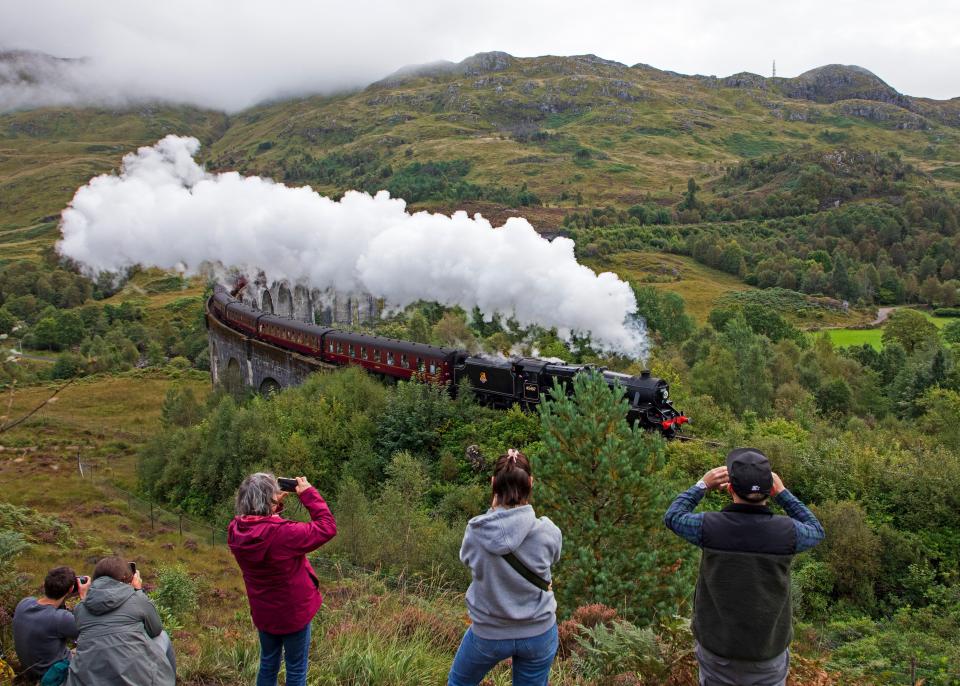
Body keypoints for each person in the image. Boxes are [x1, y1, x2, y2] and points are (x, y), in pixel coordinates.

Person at [663, 448, 826, 686]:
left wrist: (702, 485)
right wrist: (782, 493)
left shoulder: (710, 527)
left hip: (717, 650)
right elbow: (816, 530)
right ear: (769, 490)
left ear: (729, 488)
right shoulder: (787, 533)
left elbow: (673, 516)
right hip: (767, 653)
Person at [448, 449, 562, 686]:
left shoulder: (477, 532)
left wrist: (494, 510)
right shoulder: (549, 532)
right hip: (538, 631)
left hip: (489, 632)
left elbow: (467, 559)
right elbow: (554, 559)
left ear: (493, 484)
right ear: (531, 483)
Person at [228, 473, 337, 686]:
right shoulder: (283, 534)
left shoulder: (236, 530)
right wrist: (308, 494)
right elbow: (327, 527)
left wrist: (272, 505)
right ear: (268, 501)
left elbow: (260, 525)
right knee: (296, 669)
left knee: (268, 664)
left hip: (264, 612)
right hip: (293, 613)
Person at [66, 556, 176, 686]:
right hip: (139, 679)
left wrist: (84, 598)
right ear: (127, 578)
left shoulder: (80, 608)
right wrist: (139, 591)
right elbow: (155, 629)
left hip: (88, 680)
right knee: (162, 636)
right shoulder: (136, 598)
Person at [13, 566, 89, 681]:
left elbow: (48, 609)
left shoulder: (24, 603)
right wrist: (84, 598)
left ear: (44, 584)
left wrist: (64, 596)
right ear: (71, 589)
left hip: (31, 670)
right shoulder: (60, 618)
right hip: (54, 676)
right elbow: (90, 629)